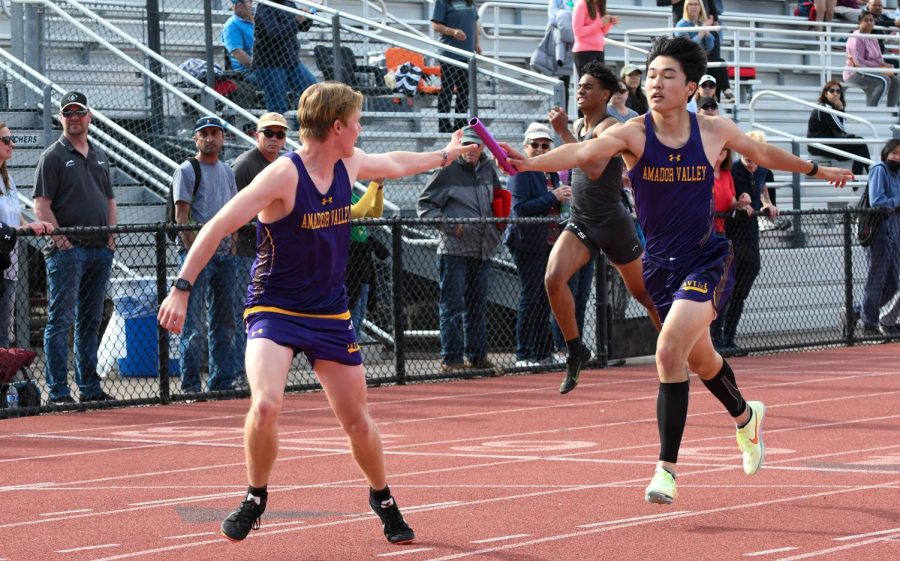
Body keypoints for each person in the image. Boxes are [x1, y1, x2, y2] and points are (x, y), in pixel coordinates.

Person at [504, 36, 853, 504]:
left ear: (690, 87)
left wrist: (817, 170)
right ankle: (747, 418)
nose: (656, 83)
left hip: (705, 257)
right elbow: (585, 155)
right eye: (650, 76)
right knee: (701, 359)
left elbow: (763, 154)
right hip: (659, 267)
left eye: (667, 75)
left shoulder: (711, 130)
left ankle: (666, 469)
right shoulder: (633, 133)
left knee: (668, 350)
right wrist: (533, 161)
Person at [158, 82, 478, 544]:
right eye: (356, 121)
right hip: (275, 308)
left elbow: (395, 163)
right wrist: (182, 288)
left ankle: (382, 497)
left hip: (329, 312)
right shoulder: (283, 176)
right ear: (336, 127)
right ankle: (255, 496)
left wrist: (444, 155)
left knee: (356, 420)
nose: (360, 128)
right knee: (266, 404)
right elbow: (217, 224)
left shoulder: (348, 162)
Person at [546, 61, 661, 394]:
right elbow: (572, 160)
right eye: (578, 86)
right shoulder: (580, 127)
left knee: (646, 296)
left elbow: (595, 167)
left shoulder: (611, 125)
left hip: (613, 223)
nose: (580, 91)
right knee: (553, 278)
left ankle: (674, 350)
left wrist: (564, 134)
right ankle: (576, 349)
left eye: (588, 87)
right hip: (581, 221)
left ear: (606, 94)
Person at [33, 91, 117, 405]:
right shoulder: (53, 156)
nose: (74, 118)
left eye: (79, 112)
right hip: (69, 252)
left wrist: (111, 237)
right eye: (68, 113)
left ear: (89, 116)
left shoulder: (99, 154)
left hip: (99, 249)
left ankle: (90, 388)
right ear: (61, 118)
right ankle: (58, 392)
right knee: (61, 320)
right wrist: (62, 242)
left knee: (91, 320)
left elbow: (110, 199)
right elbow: (41, 205)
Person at [417, 126, 502, 372]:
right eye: (466, 145)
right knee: (452, 306)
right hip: (454, 249)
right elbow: (424, 206)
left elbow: (498, 198)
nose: (470, 149)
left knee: (477, 306)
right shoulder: (447, 170)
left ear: (483, 146)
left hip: (483, 248)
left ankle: (477, 357)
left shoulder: (488, 168)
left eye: (475, 145)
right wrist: (453, 227)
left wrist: (498, 229)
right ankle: (452, 360)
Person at [174, 115, 239, 394]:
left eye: (216, 133)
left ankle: (222, 382)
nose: (210, 138)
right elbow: (181, 214)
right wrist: (192, 250)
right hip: (198, 256)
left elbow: (234, 209)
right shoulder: (187, 169)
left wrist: (233, 242)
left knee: (225, 322)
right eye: (205, 133)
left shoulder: (227, 171)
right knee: (194, 324)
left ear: (223, 138)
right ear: (196, 138)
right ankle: (190, 386)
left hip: (225, 255)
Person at [504, 123, 571, 367]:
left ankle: (543, 352)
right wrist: (552, 197)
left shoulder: (551, 171)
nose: (540, 149)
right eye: (535, 145)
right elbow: (519, 209)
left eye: (545, 145)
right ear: (526, 147)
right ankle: (524, 353)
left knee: (546, 297)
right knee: (531, 296)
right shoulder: (520, 172)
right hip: (528, 243)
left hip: (550, 242)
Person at [231, 112, 289, 382]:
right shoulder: (245, 165)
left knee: (270, 313)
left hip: (273, 252)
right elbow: (231, 209)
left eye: (280, 134)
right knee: (246, 312)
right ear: (256, 135)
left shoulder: (283, 165)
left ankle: (262, 372)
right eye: (269, 133)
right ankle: (241, 373)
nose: (275, 139)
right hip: (246, 250)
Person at [714, 130, 779, 356]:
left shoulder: (763, 170)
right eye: (747, 151)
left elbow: (762, 188)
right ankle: (717, 338)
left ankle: (730, 337)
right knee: (726, 287)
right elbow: (730, 197)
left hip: (751, 233)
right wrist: (741, 203)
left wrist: (767, 203)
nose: (750, 157)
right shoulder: (732, 170)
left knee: (742, 288)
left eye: (755, 152)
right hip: (731, 232)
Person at [0, 123, 53, 347]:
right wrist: (23, 230)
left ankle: (4, 380)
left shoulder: (7, 180)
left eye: (11, 138)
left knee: (4, 330)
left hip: (8, 264)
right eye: (5, 140)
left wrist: (33, 224)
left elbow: (16, 217)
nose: (12, 144)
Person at [859, 138, 900, 337]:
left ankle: (855, 312)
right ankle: (869, 324)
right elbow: (877, 200)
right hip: (879, 232)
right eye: (894, 153)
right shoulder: (880, 169)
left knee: (893, 284)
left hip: (895, 232)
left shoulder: (897, 174)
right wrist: (897, 202)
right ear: (886, 153)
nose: (897, 157)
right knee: (876, 280)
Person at [252, 0, 318, 116]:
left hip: (291, 61)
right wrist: (296, 20)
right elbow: (274, 32)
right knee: (278, 107)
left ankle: (301, 127)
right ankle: (275, 133)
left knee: (312, 91)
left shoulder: (289, 4)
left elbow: (303, 27)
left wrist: (309, 14)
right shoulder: (265, 7)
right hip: (270, 63)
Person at [431, 0, 481, 133]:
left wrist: (476, 43)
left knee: (464, 90)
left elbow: (475, 23)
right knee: (447, 89)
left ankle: (460, 123)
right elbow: (435, 25)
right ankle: (444, 124)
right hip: (449, 53)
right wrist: (452, 32)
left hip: (467, 54)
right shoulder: (443, 2)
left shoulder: (470, 2)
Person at [348, 180, 388, 342]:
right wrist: (373, 184)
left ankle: (352, 350)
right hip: (347, 263)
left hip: (362, 262)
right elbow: (357, 212)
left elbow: (375, 212)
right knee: (351, 311)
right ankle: (346, 352)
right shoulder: (333, 196)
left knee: (360, 311)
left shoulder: (351, 195)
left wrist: (378, 188)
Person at [806, 81, 872, 176]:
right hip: (819, 145)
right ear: (825, 94)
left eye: (838, 91)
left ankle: (858, 179)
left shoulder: (830, 108)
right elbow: (841, 127)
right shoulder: (824, 108)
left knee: (859, 149)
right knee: (860, 142)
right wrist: (841, 108)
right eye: (832, 91)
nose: (835, 93)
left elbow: (840, 128)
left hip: (827, 142)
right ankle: (868, 174)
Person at [675, 0, 734, 101]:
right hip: (689, 61)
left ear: (700, 7)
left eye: (696, 4)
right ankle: (725, 92)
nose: (693, 7)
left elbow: (710, 47)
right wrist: (702, 31)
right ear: (686, 7)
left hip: (702, 60)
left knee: (719, 64)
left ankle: (723, 94)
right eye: (691, 4)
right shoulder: (681, 25)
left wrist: (707, 33)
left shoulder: (702, 23)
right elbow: (689, 47)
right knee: (716, 66)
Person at [844, 11, 900, 107]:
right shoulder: (856, 38)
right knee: (884, 80)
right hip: (855, 72)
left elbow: (878, 58)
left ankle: (891, 109)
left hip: (870, 70)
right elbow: (858, 62)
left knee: (896, 81)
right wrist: (880, 66)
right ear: (860, 22)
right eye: (866, 20)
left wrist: (885, 65)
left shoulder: (873, 37)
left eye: (871, 20)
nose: (869, 22)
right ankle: (873, 108)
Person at [572, 0, 618, 81]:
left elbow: (601, 31)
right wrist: (600, 23)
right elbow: (578, 31)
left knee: (599, 84)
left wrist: (609, 22)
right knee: (588, 84)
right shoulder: (581, 5)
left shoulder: (599, 6)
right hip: (584, 52)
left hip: (599, 51)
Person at [547, 0, 576, 108]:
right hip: (562, 41)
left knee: (583, 79)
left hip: (577, 37)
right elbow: (552, 18)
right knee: (564, 80)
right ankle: (564, 113)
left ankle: (582, 116)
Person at [222, 0, 254, 74]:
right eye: (235, 2)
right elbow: (238, 53)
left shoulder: (255, 19)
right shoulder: (231, 25)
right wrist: (259, 67)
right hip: (245, 72)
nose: (237, 5)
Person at [867, 0, 900, 68]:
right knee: (894, 63)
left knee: (895, 63)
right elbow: (876, 23)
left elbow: (891, 21)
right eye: (874, 5)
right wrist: (894, 23)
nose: (877, 8)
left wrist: (896, 22)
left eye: (879, 5)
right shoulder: (865, 16)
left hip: (879, 53)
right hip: (869, 56)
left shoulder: (881, 16)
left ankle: (891, 78)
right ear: (868, 5)